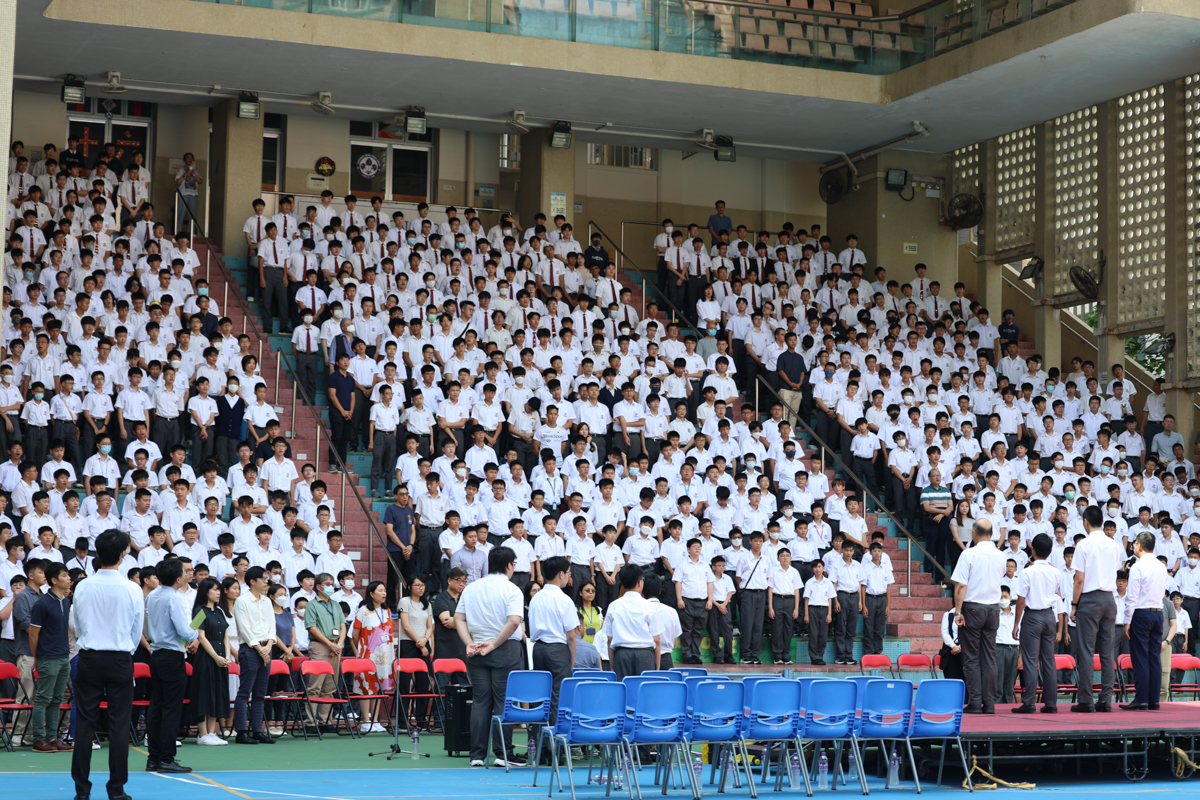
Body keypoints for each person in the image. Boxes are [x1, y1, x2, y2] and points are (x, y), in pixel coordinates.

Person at [71, 529, 145, 800]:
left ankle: (82, 791)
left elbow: (78, 623)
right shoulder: (132, 588)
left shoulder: (83, 585)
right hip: (120, 658)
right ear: (123, 554)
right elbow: (136, 629)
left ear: (98, 553)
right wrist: (125, 651)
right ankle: (116, 789)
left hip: (90, 657)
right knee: (119, 725)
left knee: (85, 725)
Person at [454, 546, 525, 768]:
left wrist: (468, 643)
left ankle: (477, 755)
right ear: (509, 565)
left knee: (480, 701)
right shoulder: (512, 589)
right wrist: (493, 644)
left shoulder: (471, 588)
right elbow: (514, 622)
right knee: (504, 702)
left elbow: (459, 618)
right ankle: (503, 753)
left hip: (476, 648)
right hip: (504, 649)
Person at [145, 558, 199, 772]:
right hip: (171, 655)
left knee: (156, 706)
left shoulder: (152, 595)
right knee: (171, 709)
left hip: (157, 653)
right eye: (185, 572)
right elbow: (184, 631)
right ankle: (167, 758)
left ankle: (154, 758)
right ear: (178, 578)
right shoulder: (173, 598)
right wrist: (195, 633)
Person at [1070, 504, 1125, 712]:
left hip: (1089, 599)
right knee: (1107, 652)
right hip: (1109, 599)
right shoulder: (1114, 545)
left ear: (1085, 522)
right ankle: (1106, 700)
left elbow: (1079, 579)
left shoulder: (1083, 545)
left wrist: (1074, 604)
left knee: (1086, 651)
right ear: (1102, 522)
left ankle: (1086, 700)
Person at [950, 518, 1007, 713]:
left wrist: (958, 611)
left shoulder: (969, 553)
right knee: (989, 656)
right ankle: (989, 703)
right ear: (992, 534)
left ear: (974, 533)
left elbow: (961, 585)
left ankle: (975, 701)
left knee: (972, 657)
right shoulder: (1001, 555)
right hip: (993, 608)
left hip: (973, 607)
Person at [1012, 533, 1062, 713]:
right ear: (1050, 551)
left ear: (1032, 550)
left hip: (1032, 616)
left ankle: (1029, 703)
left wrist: (1016, 624)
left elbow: (1020, 600)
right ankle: (1051, 703)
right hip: (1049, 616)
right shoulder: (1056, 572)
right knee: (1049, 661)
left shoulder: (1027, 572)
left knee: (1031, 661)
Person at [1120, 532, 1169, 710]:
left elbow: (1132, 597)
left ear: (1139, 546)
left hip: (1141, 613)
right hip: (1157, 613)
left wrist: (1127, 621)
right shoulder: (1161, 566)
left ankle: (1141, 698)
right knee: (1154, 657)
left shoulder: (1138, 567)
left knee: (1140, 656)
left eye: (1134, 544)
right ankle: (1153, 700)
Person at [27, 562, 72, 753]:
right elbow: (33, 634)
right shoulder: (42, 603)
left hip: (63, 656)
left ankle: (52, 737)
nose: (69, 579)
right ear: (54, 580)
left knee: (57, 698)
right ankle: (39, 739)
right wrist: (37, 657)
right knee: (43, 698)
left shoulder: (66, 602)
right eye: (65, 575)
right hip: (47, 656)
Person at [528, 556, 577, 726]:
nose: (569, 577)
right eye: (568, 573)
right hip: (557, 649)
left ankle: (538, 738)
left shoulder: (536, 597)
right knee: (559, 694)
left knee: (540, 694)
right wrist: (571, 661)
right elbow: (571, 636)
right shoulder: (564, 599)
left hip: (538, 648)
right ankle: (555, 738)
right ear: (561, 574)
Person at [232, 565, 276, 744]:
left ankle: (257, 730)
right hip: (250, 648)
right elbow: (244, 628)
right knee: (245, 692)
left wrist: (269, 645)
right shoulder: (242, 601)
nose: (266, 581)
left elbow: (272, 626)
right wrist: (260, 649)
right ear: (252, 581)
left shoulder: (267, 601)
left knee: (260, 693)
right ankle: (241, 731)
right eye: (263, 578)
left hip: (267, 647)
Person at [189, 576, 231, 745]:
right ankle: (202, 733)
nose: (218, 592)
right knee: (205, 693)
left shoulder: (220, 611)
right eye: (214, 589)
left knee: (217, 693)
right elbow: (200, 636)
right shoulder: (199, 611)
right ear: (205, 592)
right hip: (206, 657)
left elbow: (226, 636)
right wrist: (215, 656)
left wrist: (227, 656)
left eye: (219, 589)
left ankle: (212, 732)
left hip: (221, 656)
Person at [303, 572, 346, 732]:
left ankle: (325, 721)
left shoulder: (336, 604)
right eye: (327, 584)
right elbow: (312, 628)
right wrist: (330, 644)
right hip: (320, 646)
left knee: (330, 686)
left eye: (332, 584)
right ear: (319, 587)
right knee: (315, 686)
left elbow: (343, 625)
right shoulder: (312, 605)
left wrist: (339, 644)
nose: (331, 587)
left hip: (336, 646)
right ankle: (310, 722)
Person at [604, 564, 663, 680]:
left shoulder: (613, 606)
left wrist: (612, 665)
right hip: (645, 655)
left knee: (624, 689)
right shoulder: (649, 606)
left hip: (622, 655)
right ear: (640, 583)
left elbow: (609, 639)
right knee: (644, 689)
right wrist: (657, 666)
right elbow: (656, 639)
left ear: (622, 583)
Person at [352, 581, 394, 733]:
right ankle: (365, 721)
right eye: (380, 590)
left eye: (385, 590)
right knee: (366, 688)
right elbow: (355, 635)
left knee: (378, 688)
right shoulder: (363, 611)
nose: (384, 593)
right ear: (371, 594)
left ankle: (375, 721)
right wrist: (361, 652)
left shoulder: (387, 610)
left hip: (385, 655)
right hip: (367, 656)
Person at [398, 576, 434, 730]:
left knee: (423, 683)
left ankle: (421, 721)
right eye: (417, 585)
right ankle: (402, 721)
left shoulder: (427, 604)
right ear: (409, 587)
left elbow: (430, 626)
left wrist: (425, 640)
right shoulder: (404, 601)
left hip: (424, 643)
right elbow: (406, 626)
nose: (421, 588)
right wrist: (419, 643)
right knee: (405, 683)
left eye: (423, 585)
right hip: (408, 644)